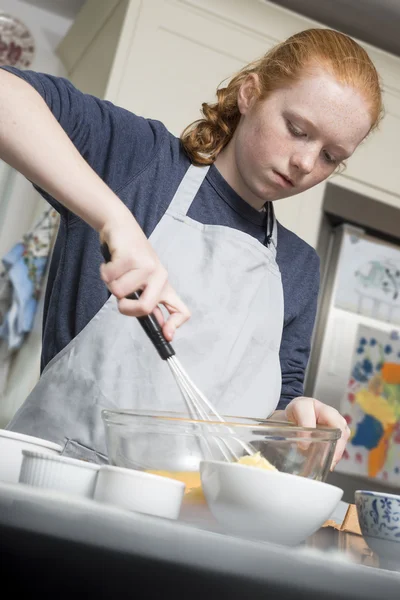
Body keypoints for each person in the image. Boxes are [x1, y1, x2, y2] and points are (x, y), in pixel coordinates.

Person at [0, 28, 382, 468]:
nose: (306, 163)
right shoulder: (140, 162)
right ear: (249, 94)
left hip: (185, 513)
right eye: (297, 130)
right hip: (52, 484)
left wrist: (294, 423)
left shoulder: (297, 267)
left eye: (331, 157)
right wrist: (115, 219)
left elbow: (269, 415)